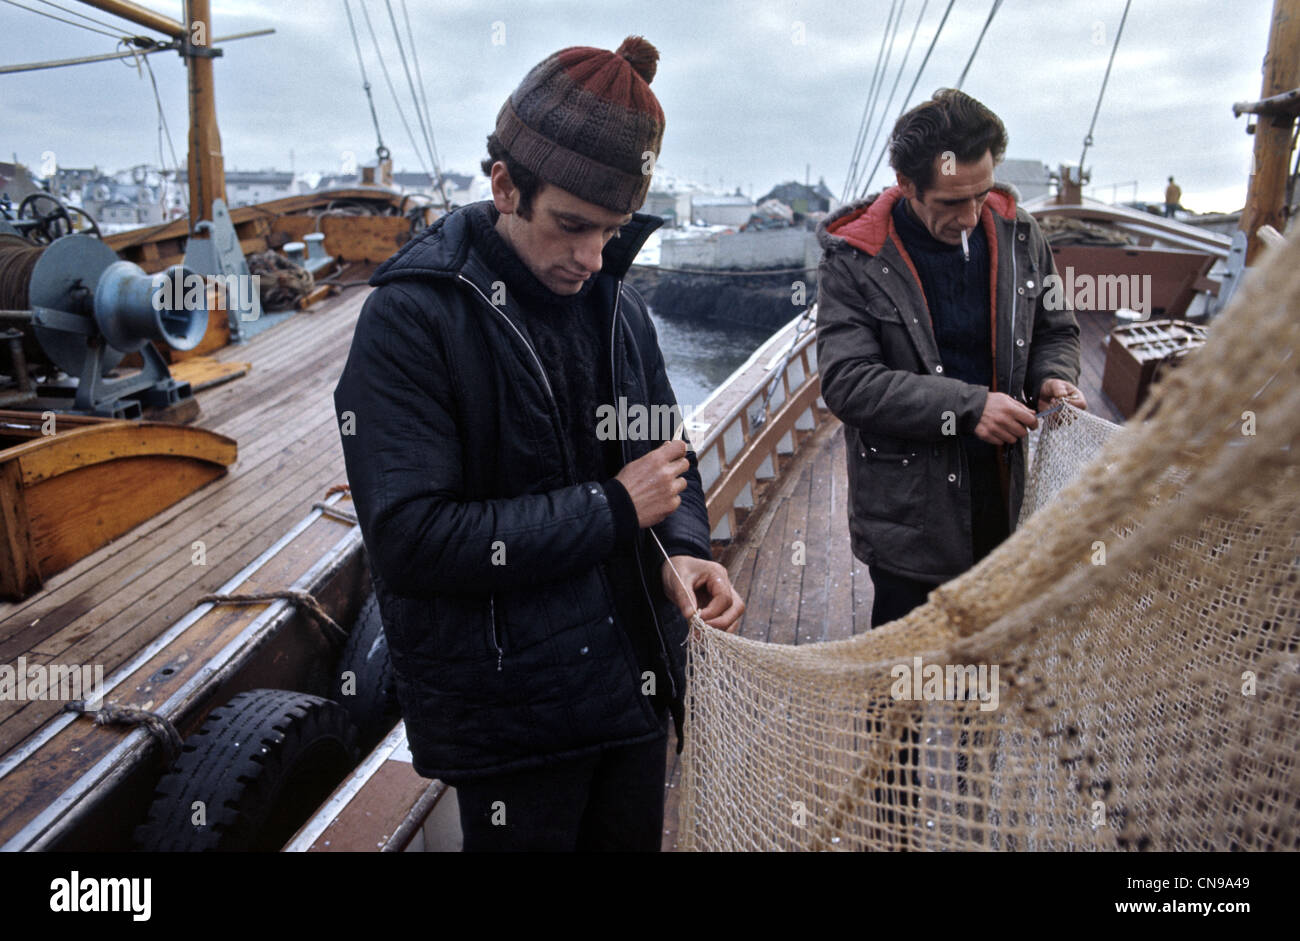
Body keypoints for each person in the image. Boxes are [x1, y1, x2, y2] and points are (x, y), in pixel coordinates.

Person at [334, 36, 744, 852]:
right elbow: (411, 540)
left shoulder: (618, 305)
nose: (591, 258)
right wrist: (613, 507)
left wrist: (683, 547)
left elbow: (668, 462)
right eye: (571, 226)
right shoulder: (413, 319)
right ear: (503, 184)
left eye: (614, 231)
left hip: (633, 691)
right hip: (513, 724)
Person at [815, 88, 1085, 628]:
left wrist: (1053, 376)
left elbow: (1056, 329)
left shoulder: (1021, 234)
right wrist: (968, 407)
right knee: (898, 690)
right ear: (907, 185)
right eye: (949, 203)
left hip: (1003, 496)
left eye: (980, 195)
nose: (968, 217)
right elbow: (846, 381)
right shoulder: (854, 259)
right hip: (910, 517)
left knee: (986, 670)